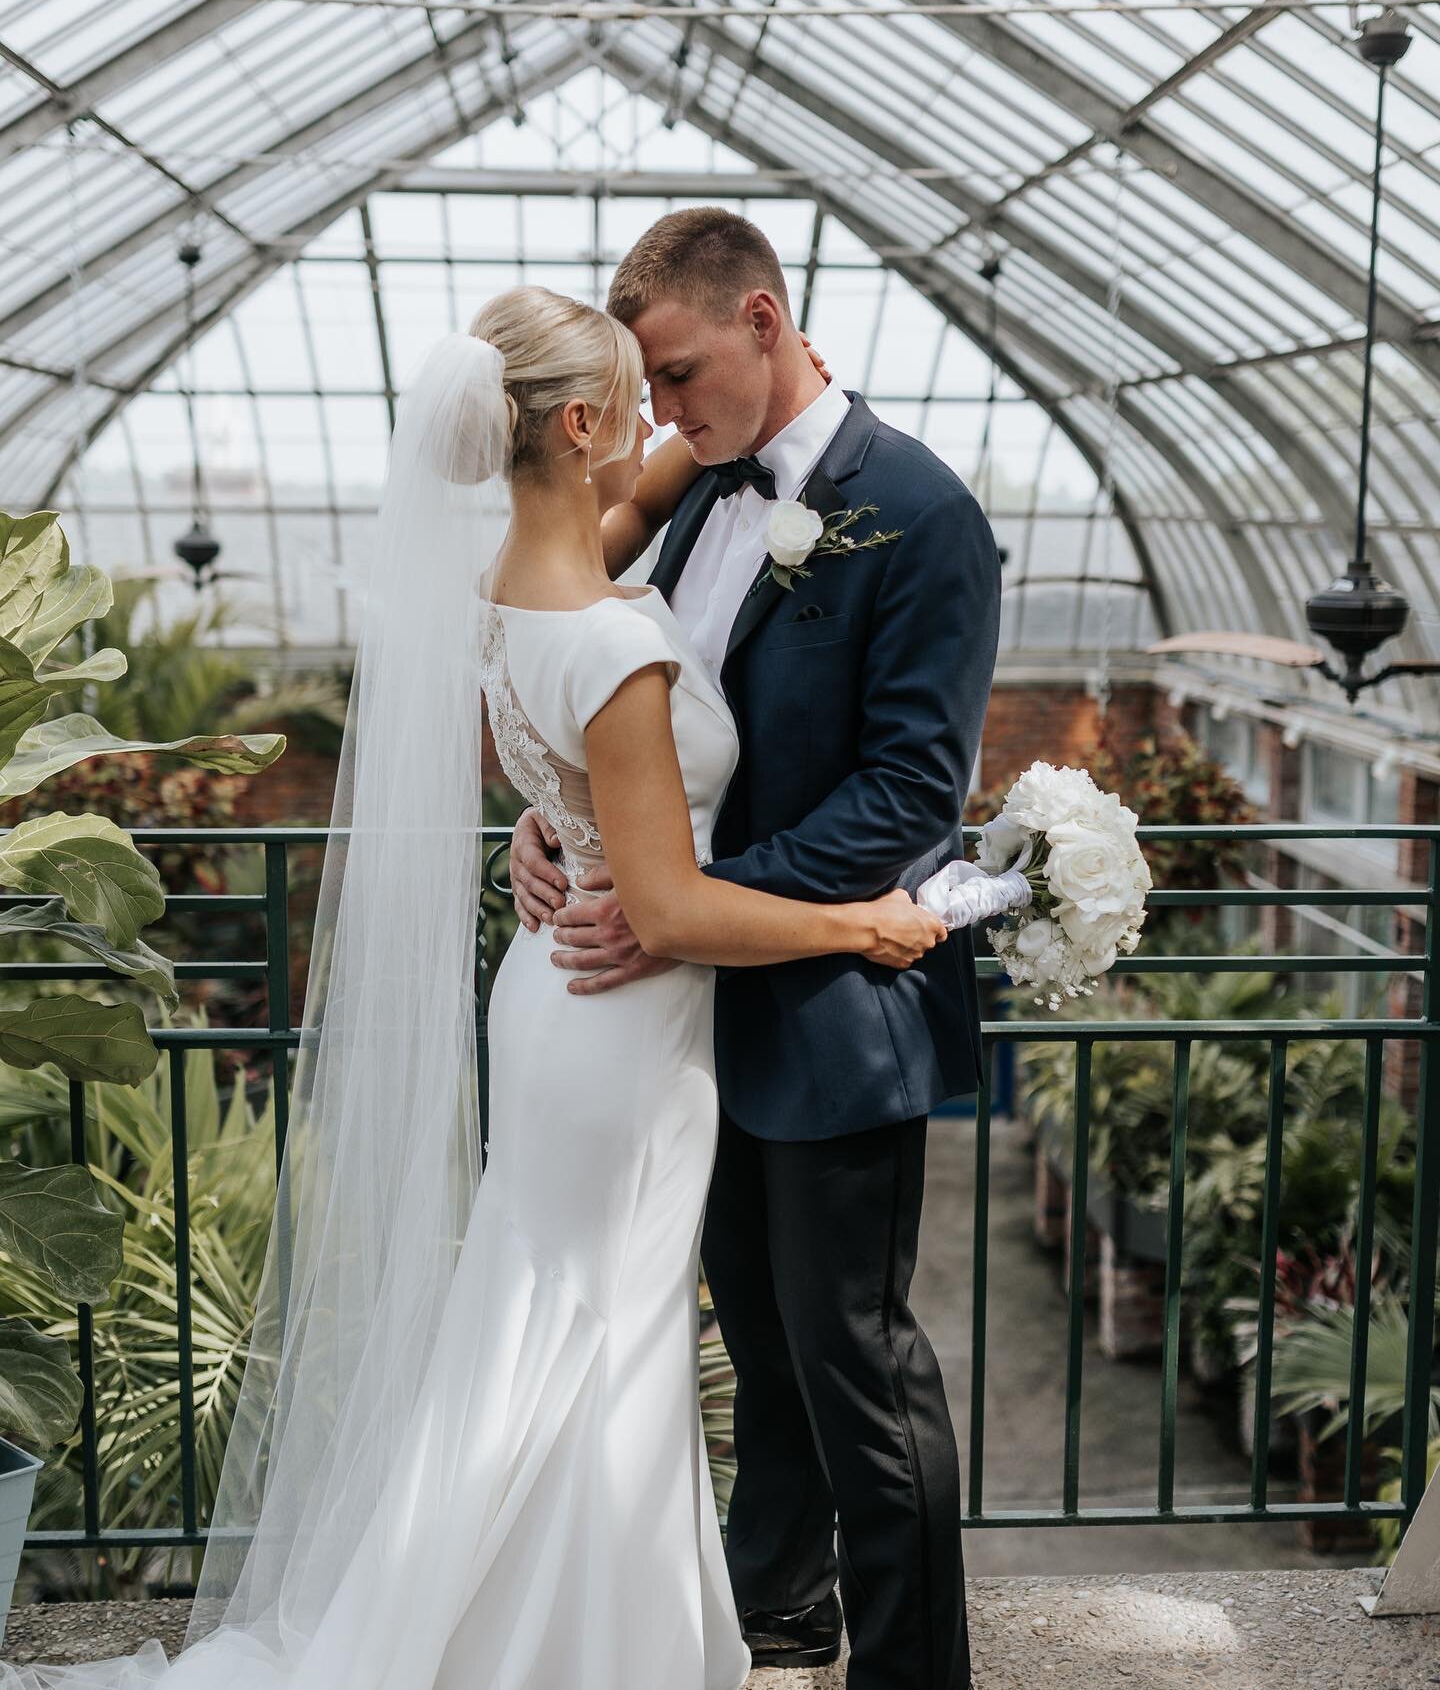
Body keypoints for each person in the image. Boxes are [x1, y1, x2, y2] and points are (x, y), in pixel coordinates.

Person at [0, 289, 945, 1690]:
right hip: (622, 1024)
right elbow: (674, 906)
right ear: (575, 424)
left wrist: (777, 396)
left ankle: (511, 1623)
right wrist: (861, 924)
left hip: (561, 1006)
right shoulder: (619, 647)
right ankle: (576, 1651)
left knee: (547, 1315)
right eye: (636, 401)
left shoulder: (515, 587)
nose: (659, 421)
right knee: (601, 1334)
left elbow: (582, 706)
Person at [509, 209, 1001, 1690]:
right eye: (647, 386)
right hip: (690, 1016)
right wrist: (561, 831)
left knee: (855, 1360)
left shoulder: (921, 512)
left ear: (765, 320)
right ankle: (778, 1619)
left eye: (677, 373)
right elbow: (607, 705)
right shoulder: (700, 489)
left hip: (833, 1010)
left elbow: (911, 796)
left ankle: (916, 1670)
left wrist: (685, 898)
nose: (661, 410)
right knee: (765, 1355)